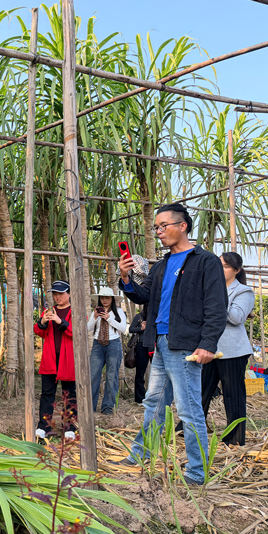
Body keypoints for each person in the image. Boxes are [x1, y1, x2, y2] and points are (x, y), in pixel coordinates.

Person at [114, 203, 227, 485]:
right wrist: (125, 277)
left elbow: (216, 306)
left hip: (186, 344)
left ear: (183, 226)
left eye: (164, 226)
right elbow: (143, 297)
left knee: (188, 409)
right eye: (156, 227)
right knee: (154, 401)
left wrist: (207, 344)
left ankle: (197, 472)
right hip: (160, 341)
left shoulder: (206, 261)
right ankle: (141, 454)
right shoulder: (162, 265)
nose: (159, 231)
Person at [198, 251, 255, 445]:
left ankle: (235, 438)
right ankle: (189, 428)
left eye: (225, 266)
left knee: (233, 395)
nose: (220, 269)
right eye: (218, 265)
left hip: (233, 352)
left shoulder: (244, 292)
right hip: (209, 348)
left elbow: (237, 318)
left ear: (237, 270)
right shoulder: (209, 289)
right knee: (201, 390)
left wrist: (218, 297)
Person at [33, 280, 77, 440]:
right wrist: (43, 321)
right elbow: (39, 331)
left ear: (70, 293)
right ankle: (43, 426)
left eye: (61, 293)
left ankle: (70, 427)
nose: (58, 296)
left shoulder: (75, 311)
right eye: (55, 294)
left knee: (69, 394)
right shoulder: (49, 311)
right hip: (50, 358)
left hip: (68, 359)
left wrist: (60, 322)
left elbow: (76, 332)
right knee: (47, 393)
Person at [87, 287, 127, 415]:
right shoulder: (96, 312)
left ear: (112, 299)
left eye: (107, 298)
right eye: (102, 298)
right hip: (97, 345)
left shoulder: (119, 312)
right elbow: (88, 328)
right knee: (93, 375)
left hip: (113, 345)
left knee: (111, 376)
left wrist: (109, 318)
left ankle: (108, 407)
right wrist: (94, 317)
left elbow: (122, 328)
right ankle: (90, 406)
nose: (104, 300)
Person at [128, 306, 153, 404]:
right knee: (140, 373)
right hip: (141, 346)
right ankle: (140, 399)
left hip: (153, 346)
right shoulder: (139, 316)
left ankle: (153, 398)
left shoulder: (157, 316)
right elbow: (131, 329)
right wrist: (141, 328)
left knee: (157, 374)